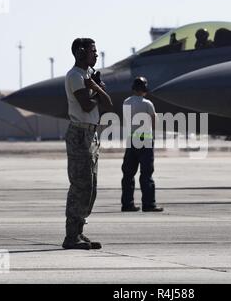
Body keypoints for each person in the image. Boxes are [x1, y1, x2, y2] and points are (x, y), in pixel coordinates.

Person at [62, 38, 113, 250]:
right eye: (93, 51)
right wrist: (96, 90)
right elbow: (85, 105)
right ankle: (71, 236)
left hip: (91, 134)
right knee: (80, 185)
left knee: (90, 186)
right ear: (81, 53)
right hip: (80, 133)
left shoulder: (87, 76)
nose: (96, 55)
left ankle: (79, 231)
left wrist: (96, 87)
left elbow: (104, 102)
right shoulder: (75, 76)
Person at [121, 77, 163, 213]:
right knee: (146, 173)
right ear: (144, 90)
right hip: (145, 139)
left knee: (128, 174)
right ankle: (149, 204)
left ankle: (127, 204)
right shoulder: (147, 103)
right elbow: (153, 120)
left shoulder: (126, 102)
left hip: (131, 139)